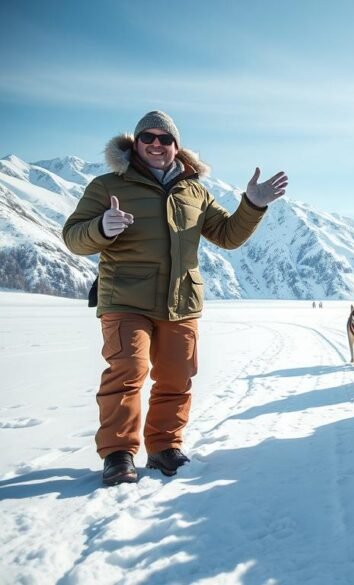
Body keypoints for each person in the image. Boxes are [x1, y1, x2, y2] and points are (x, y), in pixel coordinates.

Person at [62, 111, 289, 487]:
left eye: (165, 138)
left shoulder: (194, 191)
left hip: (180, 301)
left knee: (177, 378)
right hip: (125, 299)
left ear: (176, 146)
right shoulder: (107, 186)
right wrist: (101, 228)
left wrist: (253, 205)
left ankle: (165, 446)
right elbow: (73, 237)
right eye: (147, 137)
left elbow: (228, 236)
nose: (156, 143)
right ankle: (118, 453)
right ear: (135, 143)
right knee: (127, 371)